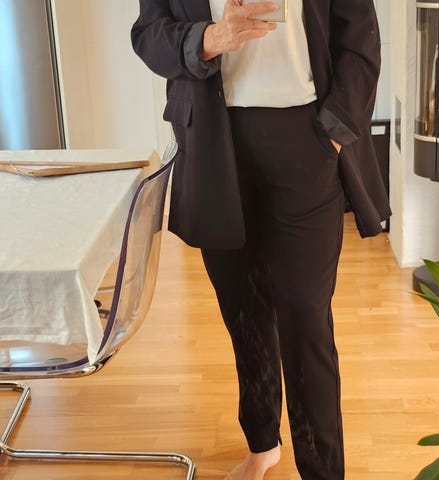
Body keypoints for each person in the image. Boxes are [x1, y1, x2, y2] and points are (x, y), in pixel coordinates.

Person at [131, 1, 390, 479]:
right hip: (213, 143)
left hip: (307, 139)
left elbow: (360, 42)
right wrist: (208, 39)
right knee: (243, 312)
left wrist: (334, 134)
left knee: (306, 318)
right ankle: (262, 444)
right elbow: (148, 35)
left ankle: (323, 471)